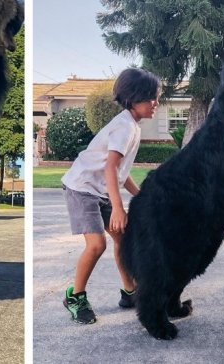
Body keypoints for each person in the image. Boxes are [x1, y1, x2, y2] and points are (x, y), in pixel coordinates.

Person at [61, 68, 161, 324]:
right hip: (82, 188)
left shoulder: (133, 126)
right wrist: (118, 207)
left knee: (123, 238)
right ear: (134, 98)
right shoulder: (125, 127)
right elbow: (110, 167)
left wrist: (139, 196)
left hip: (101, 188)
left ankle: (130, 291)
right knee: (96, 245)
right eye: (151, 98)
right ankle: (76, 296)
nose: (156, 103)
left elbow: (119, 171)